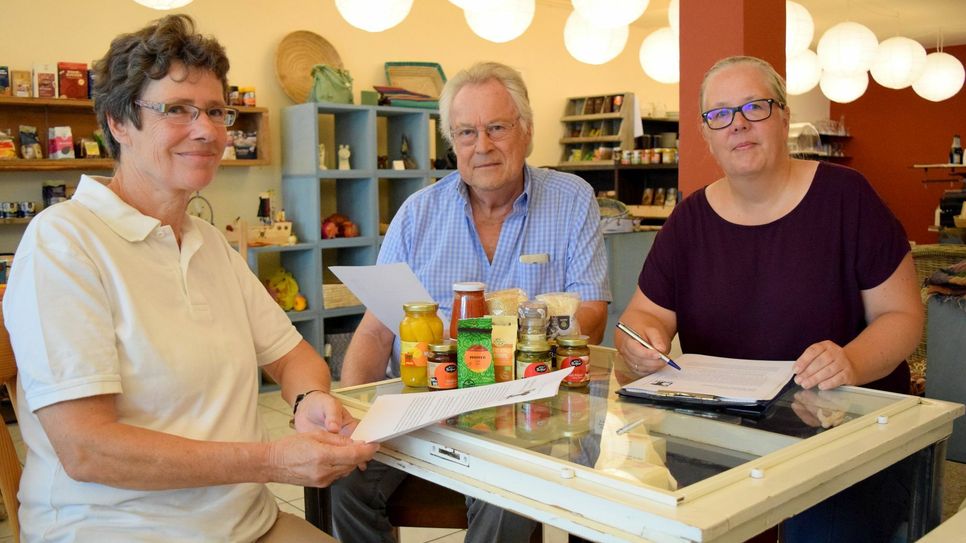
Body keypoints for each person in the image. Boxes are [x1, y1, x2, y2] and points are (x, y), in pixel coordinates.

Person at [2, 15, 377, 542]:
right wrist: (271, 460)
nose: (207, 130)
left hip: (248, 524)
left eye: (216, 111)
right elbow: (87, 449)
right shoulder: (63, 242)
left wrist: (307, 400)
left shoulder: (205, 243)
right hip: (117, 531)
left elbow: (294, 357)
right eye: (176, 110)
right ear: (118, 122)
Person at [616, 56, 923, 543]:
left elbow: (903, 316)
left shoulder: (847, 197)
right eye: (720, 114)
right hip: (725, 435)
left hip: (840, 433)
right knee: (664, 524)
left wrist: (851, 361)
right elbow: (644, 314)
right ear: (706, 134)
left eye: (754, 107)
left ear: (783, 117)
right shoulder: (689, 220)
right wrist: (639, 341)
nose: (737, 124)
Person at [331, 61, 611, 543]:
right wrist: (351, 417)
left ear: (526, 131)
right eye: (465, 132)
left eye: (496, 128)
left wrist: (517, 329)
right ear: (452, 142)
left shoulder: (571, 200)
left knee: (506, 487)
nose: (481, 146)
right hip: (426, 410)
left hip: (530, 409)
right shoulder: (418, 214)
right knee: (344, 482)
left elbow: (593, 315)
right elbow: (377, 329)